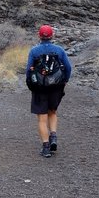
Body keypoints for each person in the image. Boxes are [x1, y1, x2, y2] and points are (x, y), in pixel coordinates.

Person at [25, 24, 72, 158]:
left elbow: (28, 70)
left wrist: (30, 84)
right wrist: (65, 81)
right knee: (53, 112)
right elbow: (68, 68)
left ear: (39, 36)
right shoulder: (59, 50)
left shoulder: (34, 51)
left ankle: (46, 147)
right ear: (52, 36)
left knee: (41, 118)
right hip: (56, 86)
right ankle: (54, 137)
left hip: (39, 87)